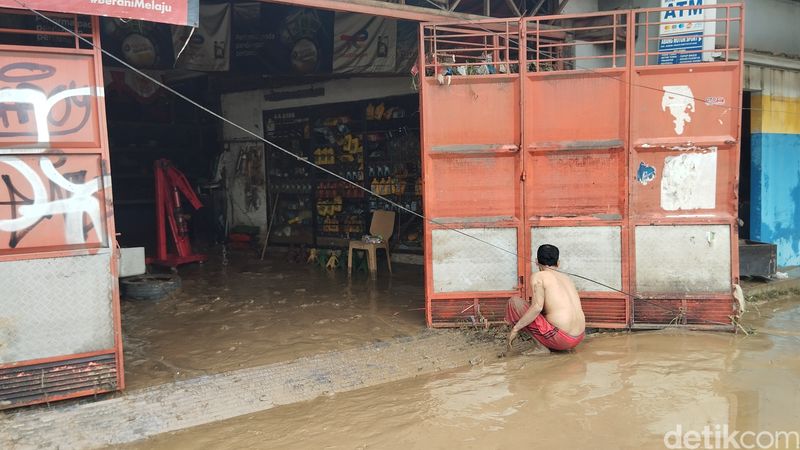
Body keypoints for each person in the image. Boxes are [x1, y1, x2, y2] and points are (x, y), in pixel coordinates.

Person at [506, 244, 586, 351]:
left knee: (514, 302)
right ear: (558, 263)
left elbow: (537, 307)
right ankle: (561, 347)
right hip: (579, 336)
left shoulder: (539, 276)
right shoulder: (567, 278)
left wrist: (515, 329)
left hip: (562, 339)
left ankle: (540, 347)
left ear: (536, 261)